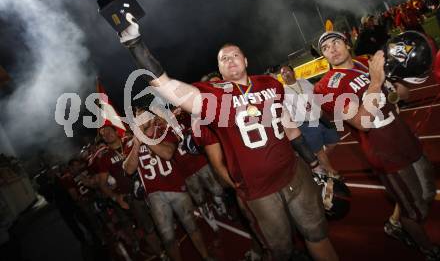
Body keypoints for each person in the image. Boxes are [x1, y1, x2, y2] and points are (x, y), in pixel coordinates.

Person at [117, 14, 338, 261]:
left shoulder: (269, 84)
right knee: (282, 251)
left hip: (293, 172)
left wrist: (314, 162)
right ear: (220, 70)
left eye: (235, 55)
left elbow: (291, 129)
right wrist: (135, 44)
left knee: (317, 234)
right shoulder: (215, 98)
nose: (230, 60)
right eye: (224, 59)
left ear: (245, 60)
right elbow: (168, 87)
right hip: (259, 190)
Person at [314, 31, 438, 260]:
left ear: (347, 44)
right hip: (384, 152)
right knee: (415, 210)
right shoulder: (325, 87)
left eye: (336, 42)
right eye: (325, 48)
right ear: (324, 56)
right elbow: (363, 122)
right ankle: (427, 249)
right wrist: (377, 81)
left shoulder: (365, 63)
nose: (332, 48)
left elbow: (403, 96)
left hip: (405, 138)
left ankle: (394, 220)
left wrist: (402, 74)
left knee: (428, 192)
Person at [123, 109, 213, 261]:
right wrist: (137, 145)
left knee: (191, 226)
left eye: (144, 117)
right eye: (137, 119)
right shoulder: (130, 142)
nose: (141, 120)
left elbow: (168, 153)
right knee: (168, 237)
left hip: (176, 187)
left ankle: (205, 256)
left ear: (151, 118)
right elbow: (129, 169)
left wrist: (145, 139)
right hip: (154, 193)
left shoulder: (164, 130)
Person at [96, 124, 164, 259]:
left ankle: (167, 244)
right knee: (147, 227)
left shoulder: (130, 142)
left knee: (161, 219)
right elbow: (102, 184)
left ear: (116, 131)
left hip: (150, 187)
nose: (107, 135)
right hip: (131, 196)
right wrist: (116, 198)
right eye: (104, 135)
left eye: (109, 131)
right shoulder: (104, 157)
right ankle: (162, 254)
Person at [279, 65, 340, 177]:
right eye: (283, 73)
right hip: (306, 125)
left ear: (293, 72)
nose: (286, 74)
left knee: (333, 141)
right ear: (281, 77)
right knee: (319, 150)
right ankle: (332, 173)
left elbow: (316, 93)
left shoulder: (304, 82)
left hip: (321, 118)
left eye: (288, 71)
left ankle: (318, 160)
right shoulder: (283, 91)